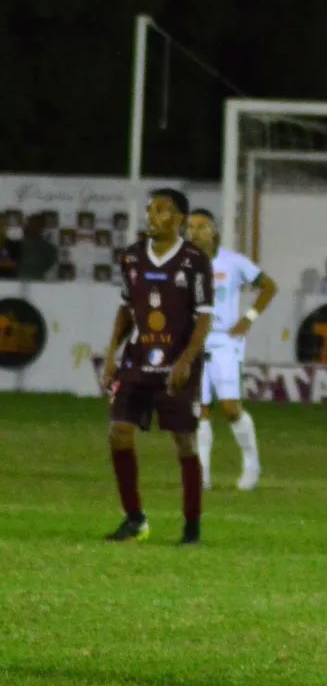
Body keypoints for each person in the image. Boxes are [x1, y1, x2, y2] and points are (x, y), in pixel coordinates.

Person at [101, 188, 213, 545]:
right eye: (151, 210)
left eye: (162, 211)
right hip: (137, 361)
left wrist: (186, 360)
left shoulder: (195, 261)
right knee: (118, 432)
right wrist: (110, 354)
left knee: (184, 442)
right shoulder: (132, 258)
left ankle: (192, 526)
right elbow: (125, 309)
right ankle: (135, 520)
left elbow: (204, 318)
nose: (152, 216)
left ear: (179, 219)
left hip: (176, 365)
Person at [185, 208, 277, 490]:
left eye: (202, 226)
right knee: (199, 408)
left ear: (213, 231)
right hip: (195, 342)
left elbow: (269, 287)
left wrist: (247, 319)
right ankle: (201, 475)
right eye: (190, 227)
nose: (195, 232)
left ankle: (252, 465)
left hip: (226, 342)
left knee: (230, 408)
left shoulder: (233, 262)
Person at [16, 214, 57, 281]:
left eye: (36, 225)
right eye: (31, 225)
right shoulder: (17, 245)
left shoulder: (48, 247)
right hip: (16, 281)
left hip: (38, 281)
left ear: (42, 228)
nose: (33, 228)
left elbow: (49, 262)